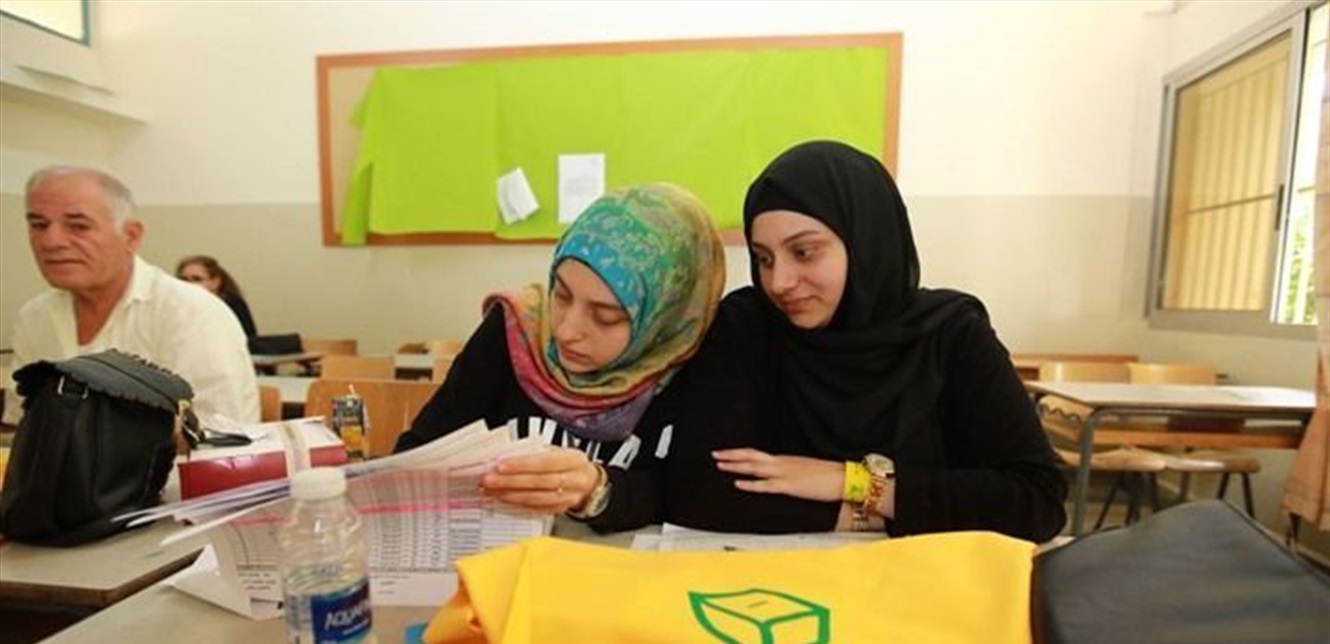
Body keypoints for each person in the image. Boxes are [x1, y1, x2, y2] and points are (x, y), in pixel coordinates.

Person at [663, 141, 1067, 542]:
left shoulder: (951, 334)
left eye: (803, 252)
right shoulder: (747, 326)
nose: (779, 281)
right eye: (764, 259)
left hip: (919, 576)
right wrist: (871, 515)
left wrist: (851, 482)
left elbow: (1036, 500)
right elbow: (692, 487)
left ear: (866, 242)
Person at [395, 183, 725, 532]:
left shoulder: (697, 359)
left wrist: (597, 491)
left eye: (605, 317)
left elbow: (692, 495)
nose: (566, 331)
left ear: (662, 318)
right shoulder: (516, 330)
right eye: (561, 295)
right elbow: (418, 453)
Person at [5, 166, 260, 426]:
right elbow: (20, 424)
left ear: (131, 236)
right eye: (39, 225)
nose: (51, 241)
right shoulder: (35, 317)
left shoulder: (191, 314)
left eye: (78, 226)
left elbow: (218, 435)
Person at [176, 255, 258, 337]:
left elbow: (248, 338)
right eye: (183, 279)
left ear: (215, 282)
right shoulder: (176, 305)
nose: (189, 284)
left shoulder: (232, 304)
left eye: (197, 279)